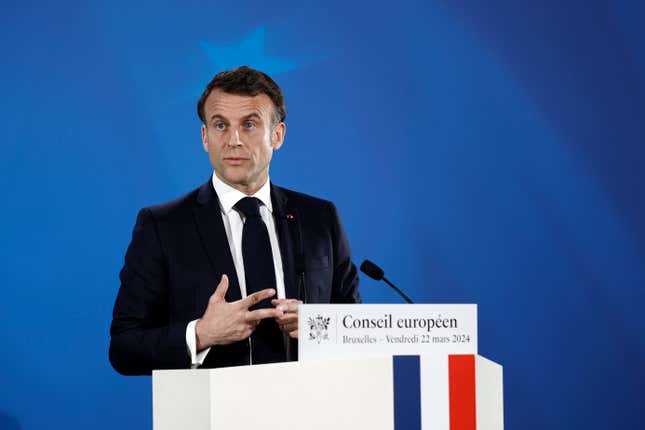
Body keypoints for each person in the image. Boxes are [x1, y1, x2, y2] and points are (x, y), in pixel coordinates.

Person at [109, 66, 361, 375]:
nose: (234, 140)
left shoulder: (319, 218)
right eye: (220, 126)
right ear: (205, 137)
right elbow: (124, 348)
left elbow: (353, 328)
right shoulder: (162, 227)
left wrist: (317, 325)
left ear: (277, 135)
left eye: (250, 124)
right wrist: (202, 334)